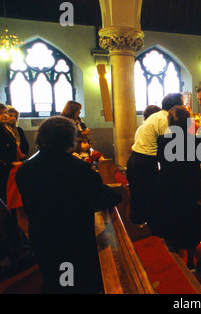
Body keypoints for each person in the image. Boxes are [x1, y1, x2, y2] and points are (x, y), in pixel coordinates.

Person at [15, 116, 122, 294]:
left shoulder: (26, 168)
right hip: (71, 239)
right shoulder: (78, 168)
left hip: (41, 236)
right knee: (74, 282)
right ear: (69, 140)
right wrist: (119, 193)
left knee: (54, 278)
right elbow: (103, 198)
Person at [154, 105, 201, 269]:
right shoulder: (197, 139)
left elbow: (160, 160)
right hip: (191, 187)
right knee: (191, 222)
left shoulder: (163, 140)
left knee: (172, 220)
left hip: (170, 187)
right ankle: (191, 261)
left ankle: (175, 258)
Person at [127, 93, 184, 225]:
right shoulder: (165, 119)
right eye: (181, 105)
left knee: (138, 197)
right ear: (175, 106)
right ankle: (148, 231)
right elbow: (168, 146)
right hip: (144, 163)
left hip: (136, 160)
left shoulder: (156, 116)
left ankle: (139, 226)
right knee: (148, 198)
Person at [0, 102, 22, 205]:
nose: (5, 115)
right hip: (0, 169)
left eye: (5, 112)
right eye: (1, 113)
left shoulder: (3, 127)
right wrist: (9, 162)